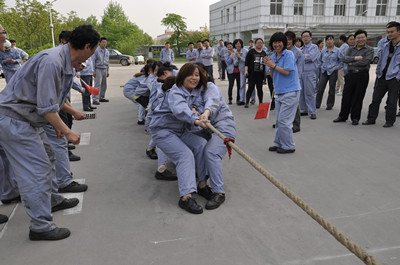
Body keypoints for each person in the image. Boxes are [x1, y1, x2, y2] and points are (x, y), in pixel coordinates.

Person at [0, 24, 100, 240]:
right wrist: (66, 131)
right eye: (93, 51)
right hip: (15, 121)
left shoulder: (64, 61)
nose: (90, 57)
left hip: (28, 119)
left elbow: (50, 100)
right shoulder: (52, 62)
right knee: (35, 172)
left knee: (49, 157)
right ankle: (40, 226)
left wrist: (68, 115)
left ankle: (52, 199)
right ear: (86, 46)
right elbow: (46, 107)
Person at [147, 63, 208, 214]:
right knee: (184, 155)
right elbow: (180, 109)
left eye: (197, 75)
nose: (195, 78)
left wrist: (200, 113)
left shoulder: (192, 92)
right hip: (163, 131)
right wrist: (195, 119)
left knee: (201, 144)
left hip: (179, 130)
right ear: (182, 76)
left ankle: (201, 184)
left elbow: (197, 106)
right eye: (191, 74)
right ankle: (186, 197)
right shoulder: (175, 91)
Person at [197, 78, 236, 209]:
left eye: (196, 75)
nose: (193, 78)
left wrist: (205, 113)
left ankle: (219, 192)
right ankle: (202, 184)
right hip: (203, 128)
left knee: (211, 152)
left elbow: (211, 102)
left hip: (223, 127)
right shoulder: (187, 91)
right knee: (196, 145)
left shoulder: (210, 87)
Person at [265, 32, 301, 154]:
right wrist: (270, 66)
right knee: (279, 121)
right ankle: (279, 143)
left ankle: (289, 145)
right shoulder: (274, 56)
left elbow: (287, 72)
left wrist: (273, 65)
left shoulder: (289, 54)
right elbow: (272, 75)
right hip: (279, 92)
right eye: (274, 42)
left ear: (284, 43)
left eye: (279, 42)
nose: (277, 45)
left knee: (285, 121)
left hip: (290, 92)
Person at [363, 22, 400, 128]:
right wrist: (378, 73)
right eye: (388, 32)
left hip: (394, 78)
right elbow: (380, 61)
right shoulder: (385, 45)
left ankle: (389, 121)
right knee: (375, 99)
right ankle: (371, 119)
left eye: (392, 32)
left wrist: (398, 77)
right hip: (382, 77)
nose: (389, 34)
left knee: (392, 102)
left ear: (399, 32)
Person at [333, 29, 374, 125]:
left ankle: (355, 118)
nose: (360, 39)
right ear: (355, 39)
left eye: (362, 37)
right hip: (350, 75)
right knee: (346, 96)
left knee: (358, 97)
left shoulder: (369, 50)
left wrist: (351, 63)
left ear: (366, 38)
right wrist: (355, 58)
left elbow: (366, 62)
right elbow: (344, 58)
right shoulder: (350, 49)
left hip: (362, 75)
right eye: (358, 38)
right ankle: (342, 116)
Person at [316, 35, 343, 110]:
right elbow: (319, 60)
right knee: (320, 88)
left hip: (333, 72)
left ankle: (329, 104)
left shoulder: (338, 50)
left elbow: (341, 61)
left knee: (331, 89)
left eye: (331, 39)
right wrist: (321, 66)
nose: (329, 41)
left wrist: (337, 67)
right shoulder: (324, 50)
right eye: (327, 40)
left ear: (333, 41)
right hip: (324, 71)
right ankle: (317, 103)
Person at [285, 31, 304, 133]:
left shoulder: (298, 52)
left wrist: (298, 79)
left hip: (294, 81)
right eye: (286, 39)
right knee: (283, 102)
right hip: (283, 81)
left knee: (294, 103)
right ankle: (283, 122)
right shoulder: (281, 51)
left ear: (293, 40)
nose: (287, 41)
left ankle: (296, 124)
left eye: (289, 39)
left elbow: (300, 67)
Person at [300, 30, 320, 119]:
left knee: (310, 93)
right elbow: (300, 58)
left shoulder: (314, 47)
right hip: (301, 74)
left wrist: (304, 56)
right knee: (301, 93)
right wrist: (305, 56)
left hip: (310, 73)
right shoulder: (300, 49)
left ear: (311, 37)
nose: (305, 38)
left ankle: (312, 111)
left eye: (307, 36)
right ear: (302, 38)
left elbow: (311, 57)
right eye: (304, 36)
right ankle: (303, 110)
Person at [244, 38, 266, 108]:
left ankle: (261, 102)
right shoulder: (251, 52)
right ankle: (247, 102)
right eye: (258, 43)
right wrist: (246, 70)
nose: (260, 44)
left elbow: (265, 64)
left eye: (261, 43)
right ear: (255, 44)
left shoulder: (264, 53)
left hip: (260, 74)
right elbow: (246, 62)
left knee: (260, 89)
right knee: (250, 88)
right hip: (252, 74)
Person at [92, 37, 110, 104]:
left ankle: (101, 97)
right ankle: (95, 99)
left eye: (105, 42)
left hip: (105, 68)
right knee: (97, 84)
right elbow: (93, 60)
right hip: (98, 68)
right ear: (100, 42)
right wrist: (93, 70)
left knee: (104, 84)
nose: (104, 44)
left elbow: (108, 62)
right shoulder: (96, 51)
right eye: (103, 42)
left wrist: (108, 71)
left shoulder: (107, 51)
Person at [232, 39, 248, 105]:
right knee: (242, 85)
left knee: (251, 85)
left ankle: (252, 98)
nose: (238, 45)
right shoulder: (235, 52)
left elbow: (248, 61)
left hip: (249, 70)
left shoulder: (246, 51)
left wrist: (240, 57)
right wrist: (238, 58)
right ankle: (242, 100)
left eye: (239, 43)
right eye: (236, 44)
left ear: (241, 44)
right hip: (241, 71)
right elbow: (235, 63)